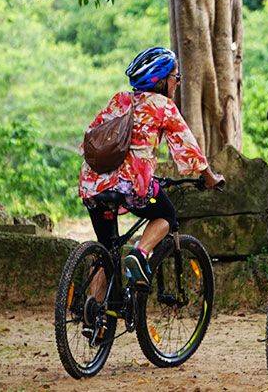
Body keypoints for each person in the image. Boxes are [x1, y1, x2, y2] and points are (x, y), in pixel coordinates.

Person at [79, 47, 224, 291]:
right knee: (166, 214)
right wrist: (209, 177)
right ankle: (140, 253)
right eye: (175, 77)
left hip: (92, 185)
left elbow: (91, 137)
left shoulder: (119, 99)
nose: (177, 83)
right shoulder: (163, 106)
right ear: (162, 81)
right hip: (130, 185)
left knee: (105, 250)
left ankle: (94, 313)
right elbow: (188, 148)